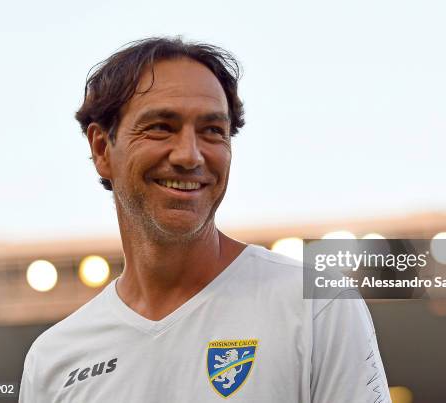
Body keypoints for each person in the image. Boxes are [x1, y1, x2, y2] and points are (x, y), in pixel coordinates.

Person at [19, 37, 391, 402]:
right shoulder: (53, 360)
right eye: (162, 127)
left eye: (212, 131)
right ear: (102, 149)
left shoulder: (316, 305)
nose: (189, 155)